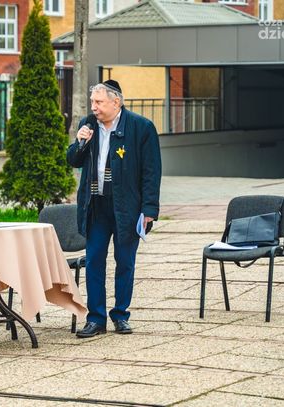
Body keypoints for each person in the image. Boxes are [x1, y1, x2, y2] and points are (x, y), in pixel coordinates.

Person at [67, 80, 161, 337]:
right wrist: (80, 142)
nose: (94, 107)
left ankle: (120, 315)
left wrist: (149, 209)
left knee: (125, 262)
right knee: (94, 261)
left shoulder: (141, 127)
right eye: (92, 102)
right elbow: (73, 160)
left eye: (99, 102)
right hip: (96, 206)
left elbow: (151, 171)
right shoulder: (88, 125)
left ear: (116, 102)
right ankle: (96, 319)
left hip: (127, 206)